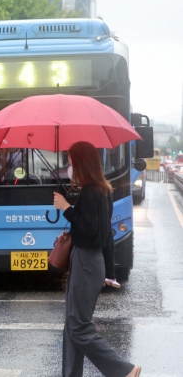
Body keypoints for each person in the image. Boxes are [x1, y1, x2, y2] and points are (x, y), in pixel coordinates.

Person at [53, 141, 140, 377]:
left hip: (85, 261)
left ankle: (123, 370)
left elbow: (88, 231)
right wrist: (109, 272)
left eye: (70, 162)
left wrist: (67, 208)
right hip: (94, 263)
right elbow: (106, 236)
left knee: (78, 327)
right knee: (73, 325)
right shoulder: (103, 190)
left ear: (81, 163)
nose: (69, 166)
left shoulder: (90, 192)